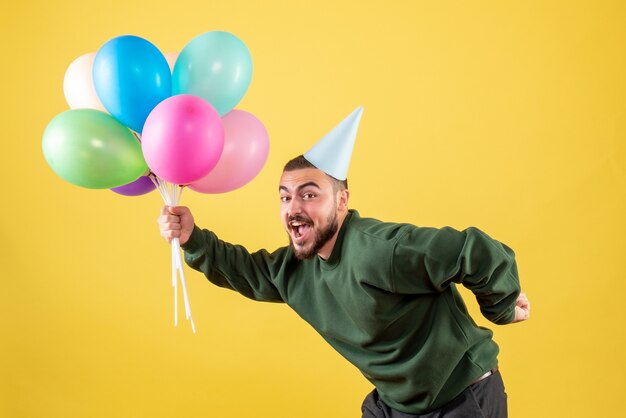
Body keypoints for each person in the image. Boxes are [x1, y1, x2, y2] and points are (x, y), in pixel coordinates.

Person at [157, 108, 530, 417]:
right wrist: (193, 237)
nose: (293, 209)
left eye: (309, 194)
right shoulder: (295, 269)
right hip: (399, 405)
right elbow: (247, 272)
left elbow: (475, 251)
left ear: (341, 200)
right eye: (285, 198)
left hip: (461, 399)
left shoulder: (380, 250)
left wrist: (501, 308)